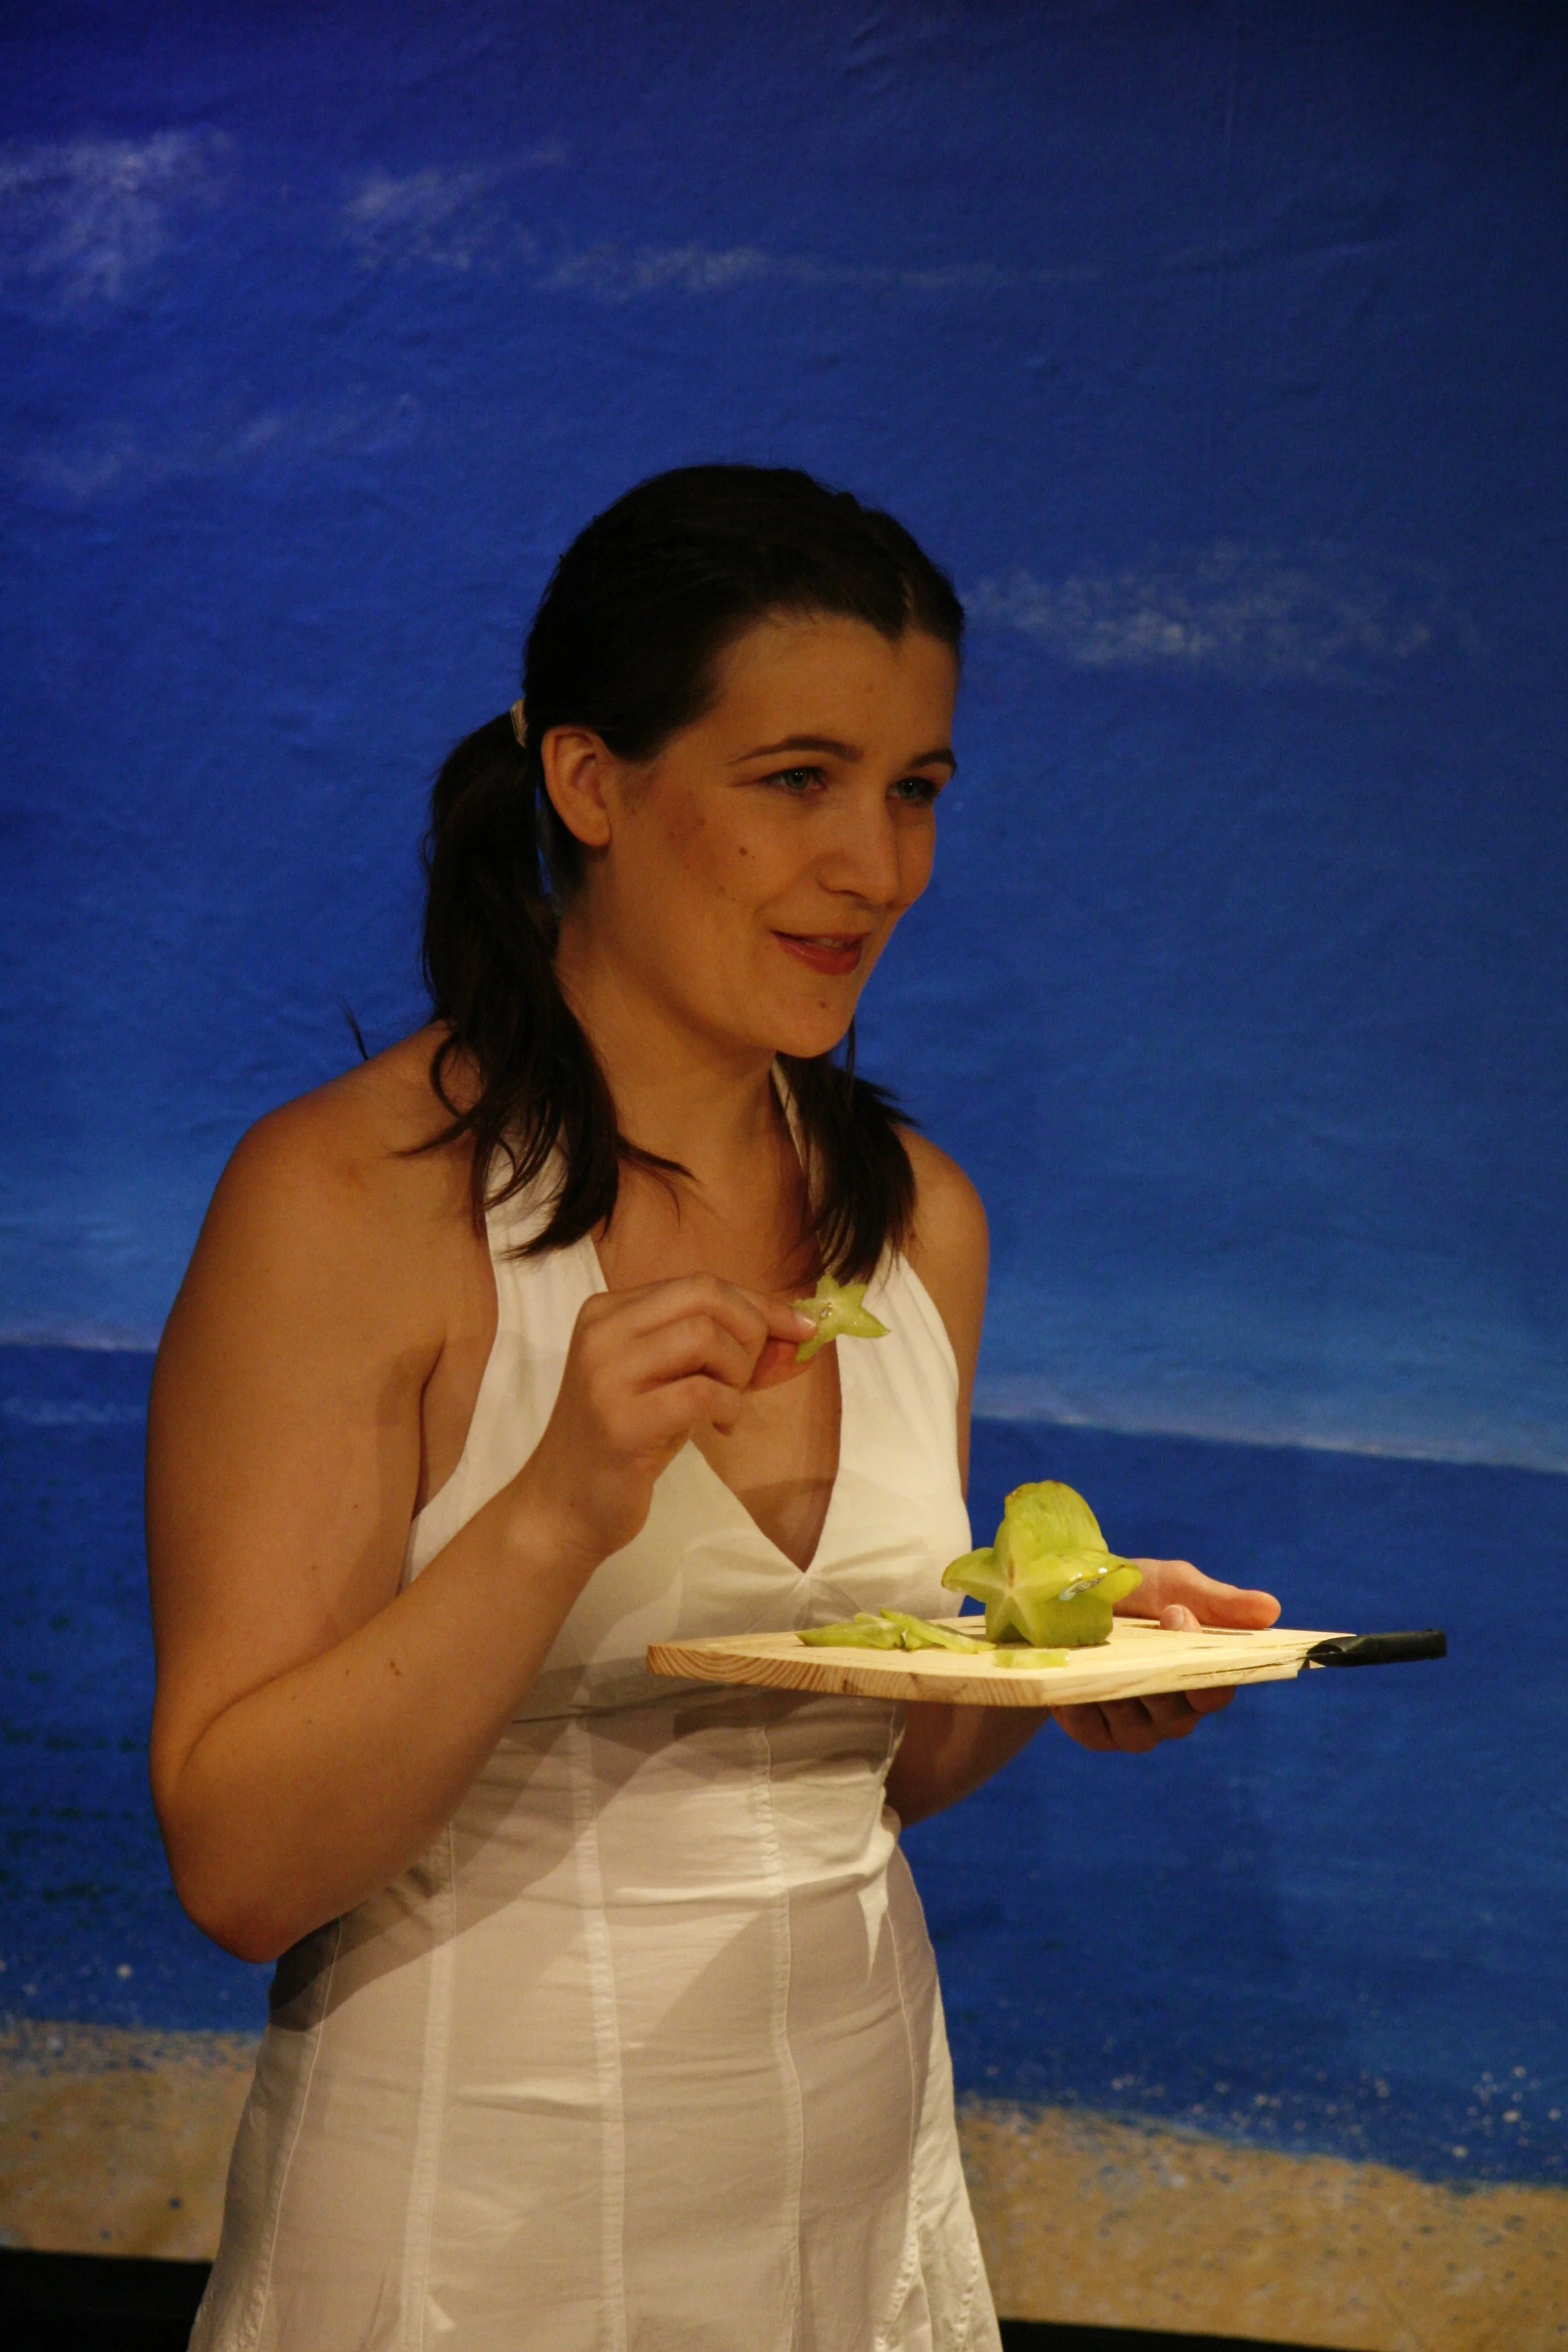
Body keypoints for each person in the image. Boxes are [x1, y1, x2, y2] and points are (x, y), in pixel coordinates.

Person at [147, 464, 1279, 2351]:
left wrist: (1039, 1663)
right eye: (797, 782)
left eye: (915, 791)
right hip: (460, 2241)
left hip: (845, 2213)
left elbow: (868, 1775)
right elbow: (241, 1870)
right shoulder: (349, 1203)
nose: (878, 867)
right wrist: (553, 1508)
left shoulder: (918, 1220)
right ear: (591, 785)